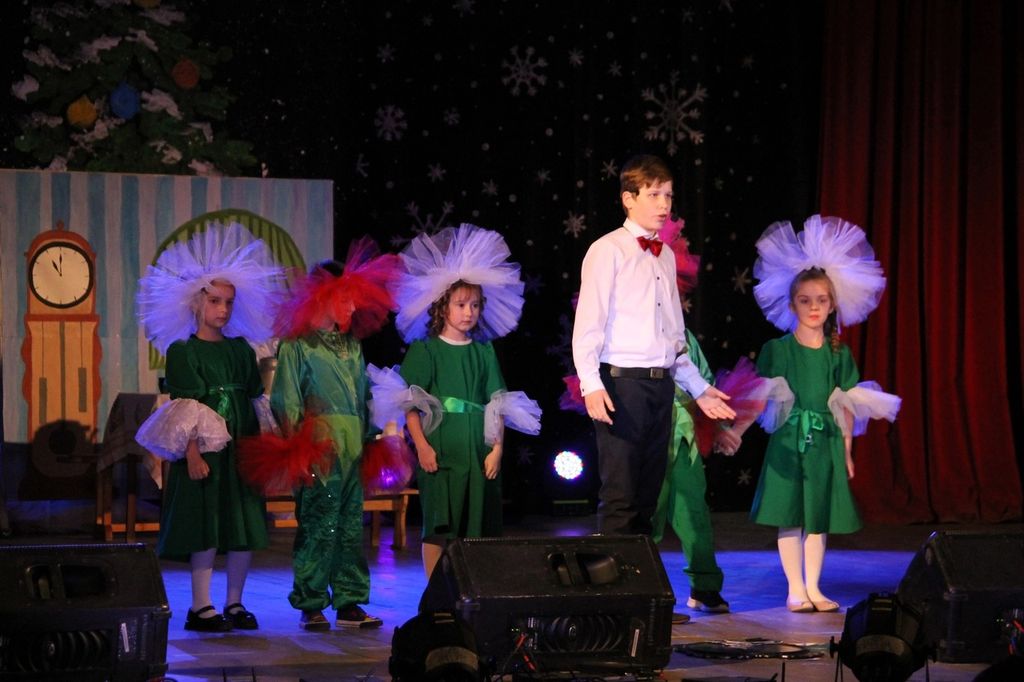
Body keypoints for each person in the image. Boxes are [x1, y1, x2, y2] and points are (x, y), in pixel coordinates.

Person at [571, 154, 735, 537]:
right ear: (629, 198)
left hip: (660, 386)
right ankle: (614, 575)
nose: (664, 205)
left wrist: (700, 389)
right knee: (621, 494)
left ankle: (639, 573)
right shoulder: (608, 250)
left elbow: (673, 339)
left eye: (669, 196)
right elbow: (589, 324)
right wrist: (591, 384)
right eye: (655, 195)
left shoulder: (665, 256)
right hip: (622, 385)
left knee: (649, 495)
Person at [135, 223, 283, 632]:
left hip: (241, 444)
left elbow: (254, 397)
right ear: (196, 303)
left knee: (242, 520)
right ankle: (201, 606)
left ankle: (235, 602)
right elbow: (186, 408)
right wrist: (193, 453)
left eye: (228, 302)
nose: (223, 309)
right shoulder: (184, 351)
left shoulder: (240, 350)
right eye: (215, 301)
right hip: (206, 449)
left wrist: (265, 449)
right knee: (207, 521)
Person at [750, 215, 901, 612]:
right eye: (805, 300)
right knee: (791, 514)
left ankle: (814, 587)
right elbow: (760, 396)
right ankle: (795, 589)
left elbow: (845, 404)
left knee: (817, 516)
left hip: (826, 443)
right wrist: (734, 430)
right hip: (789, 441)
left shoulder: (839, 353)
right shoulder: (779, 350)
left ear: (833, 304)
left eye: (821, 300)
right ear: (791, 304)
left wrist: (847, 451)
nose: (814, 307)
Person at [380, 223, 540, 579]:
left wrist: (497, 449)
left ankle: (471, 589)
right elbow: (410, 404)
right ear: (442, 306)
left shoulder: (483, 351)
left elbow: (497, 403)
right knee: (440, 524)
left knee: (476, 526)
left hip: (478, 453)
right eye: (461, 304)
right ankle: (435, 593)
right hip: (441, 453)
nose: (469, 312)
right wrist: (422, 446)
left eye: (475, 305)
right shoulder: (426, 350)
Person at [269, 238, 400, 630]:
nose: (353, 307)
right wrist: (299, 448)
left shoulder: (351, 346)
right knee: (318, 525)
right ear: (322, 296)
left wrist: (370, 437)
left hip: (352, 446)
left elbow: (362, 396)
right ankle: (311, 601)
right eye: (345, 298)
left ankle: (349, 600)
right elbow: (287, 399)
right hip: (319, 446)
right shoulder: (298, 345)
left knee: (348, 526)